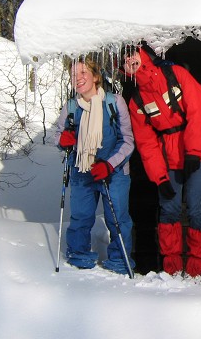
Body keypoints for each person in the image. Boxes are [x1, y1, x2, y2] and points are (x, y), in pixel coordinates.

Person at [121, 44, 201, 278]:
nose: (130, 60)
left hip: (200, 147)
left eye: (132, 54)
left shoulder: (175, 73)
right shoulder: (136, 100)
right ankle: (171, 268)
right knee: (169, 210)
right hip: (169, 155)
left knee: (196, 209)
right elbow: (146, 143)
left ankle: (196, 267)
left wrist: (193, 151)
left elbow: (197, 110)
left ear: (142, 53)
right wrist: (159, 177)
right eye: (124, 59)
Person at [54, 56, 135, 275]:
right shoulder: (71, 107)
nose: (78, 78)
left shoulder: (114, 102)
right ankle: (79, 257)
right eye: (73, 75)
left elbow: (127, 141)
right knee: (81, 217)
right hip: (82, 171)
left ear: (96, 76)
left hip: (114, 172)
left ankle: (119, 262)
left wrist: (109, 165)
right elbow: (58, 136)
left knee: (117, 219)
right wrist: (63, 140)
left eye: (83, 73)